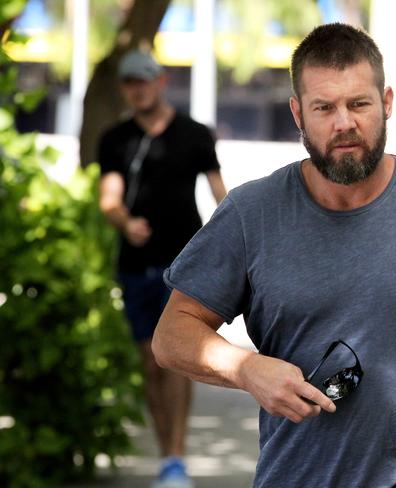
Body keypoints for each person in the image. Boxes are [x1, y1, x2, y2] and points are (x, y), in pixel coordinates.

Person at [151, 23, 396, 487]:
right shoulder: (250, 214)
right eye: (324, 107)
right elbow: (172, 335)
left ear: (387, 103)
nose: (344, 123)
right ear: (298, 114)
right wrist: (247, 369)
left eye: (359, 103)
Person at [98, 48, 227, 488]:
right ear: (125, 88)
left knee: (175, 359)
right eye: (129, 82)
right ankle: (165, 455)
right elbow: (109, 199)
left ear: (161, 81)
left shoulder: (194, 134)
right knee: (150, 363)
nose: (138, 88)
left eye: (144, 80)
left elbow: (219, 194)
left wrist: (234, 241)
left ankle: (176, 457)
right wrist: (124, 222)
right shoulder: (115, 139)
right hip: (135, 265)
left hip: (183, 265)